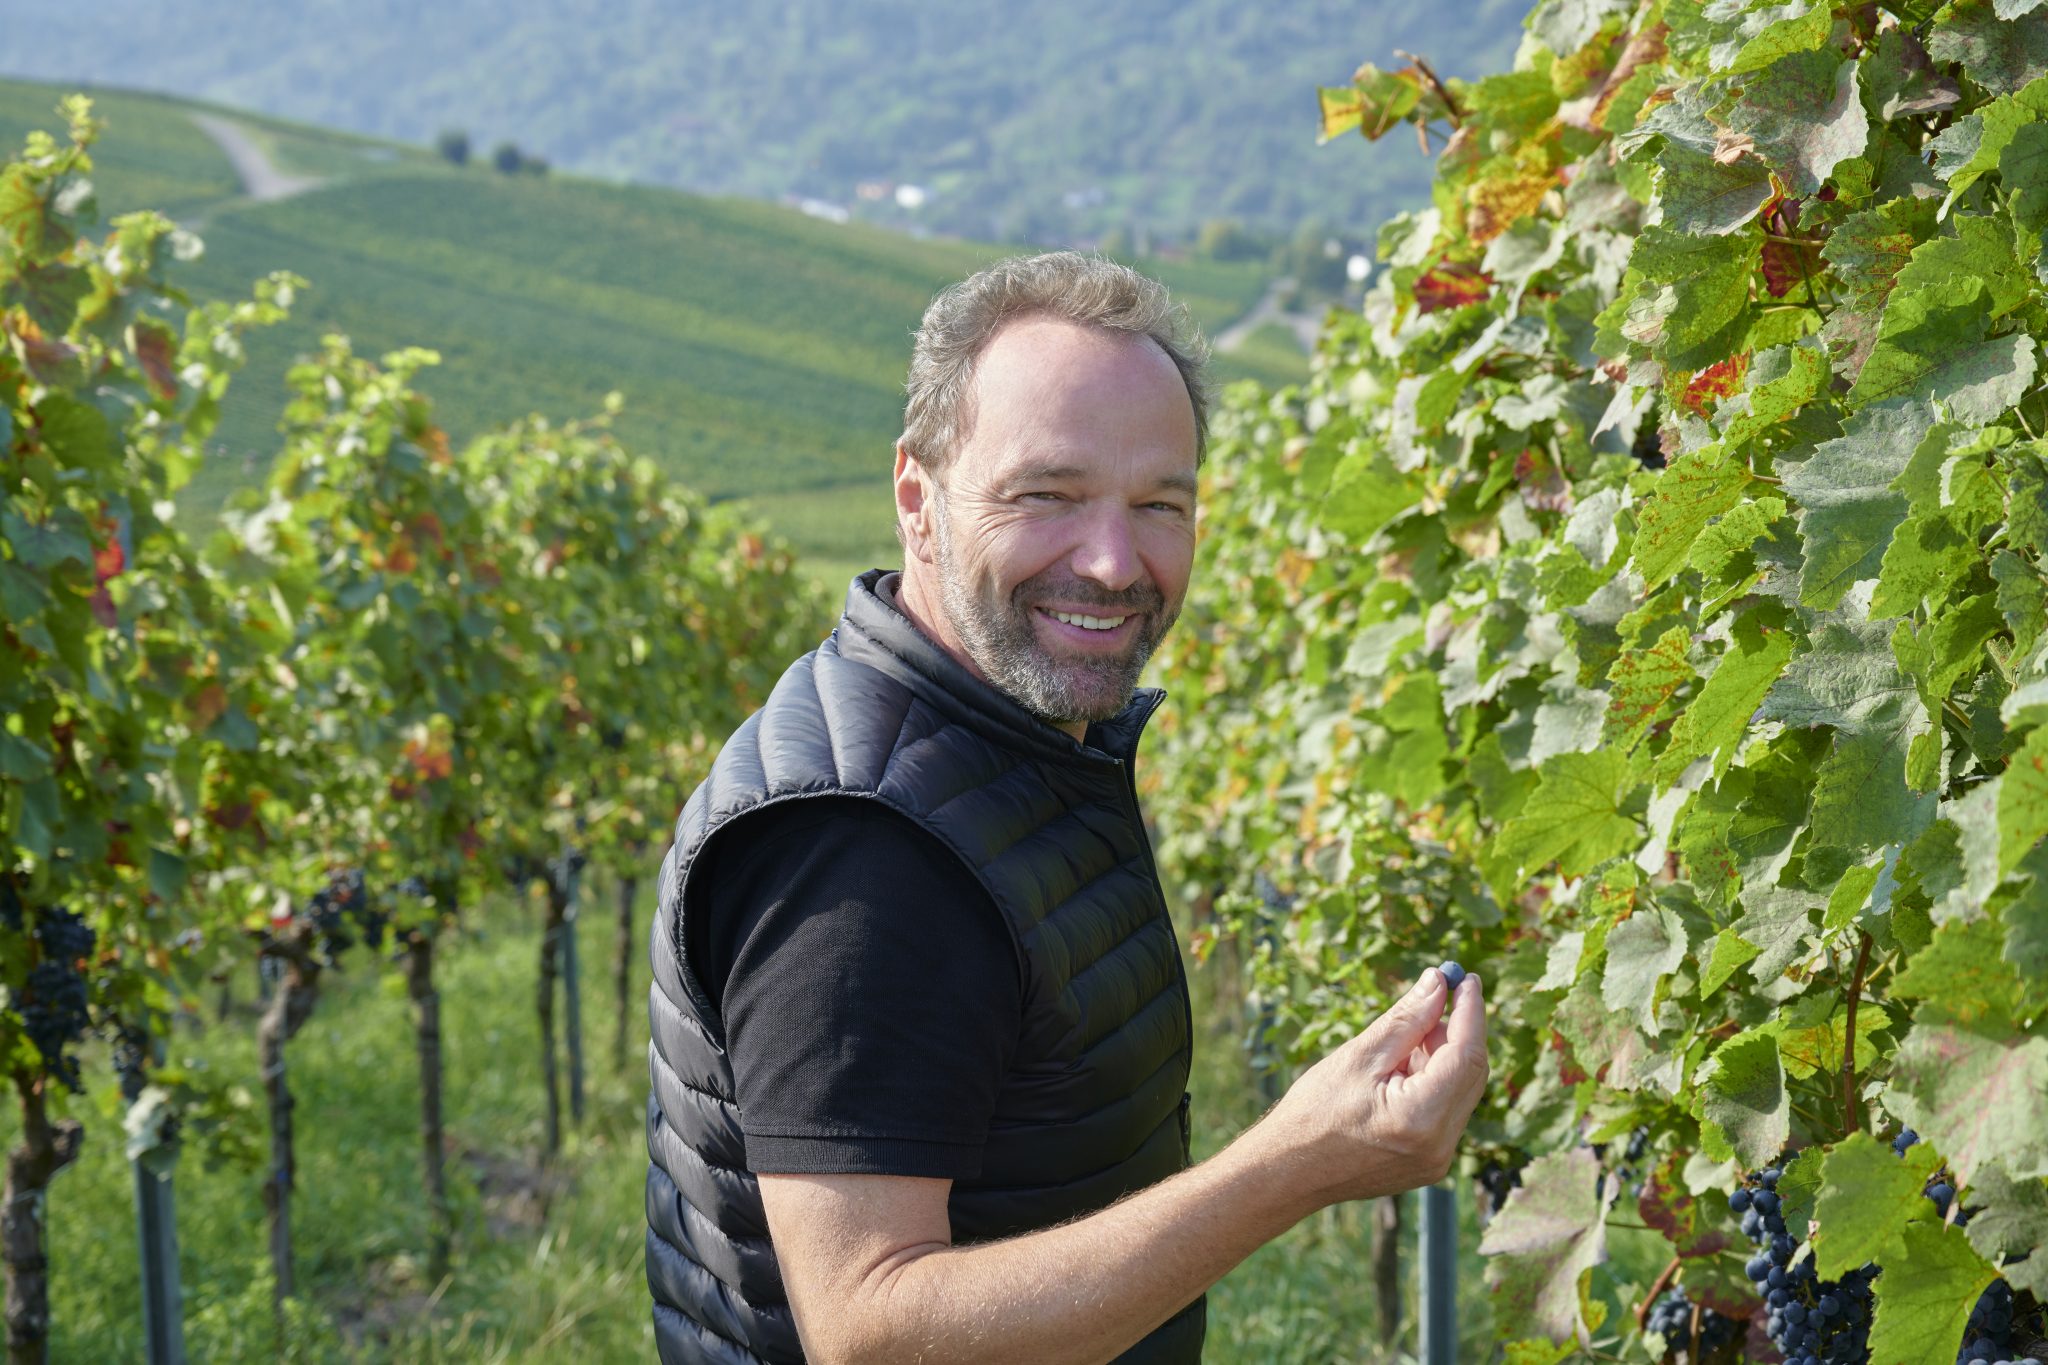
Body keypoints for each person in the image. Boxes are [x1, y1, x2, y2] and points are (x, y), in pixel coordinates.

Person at [644, 251, 1489, 1365]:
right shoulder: (863, 852)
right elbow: (871, 1332)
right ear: (917, 499)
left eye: (1158, 505)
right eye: (1045, 495)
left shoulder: (1006, 750)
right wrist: (1297, 1161)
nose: (1111, 560)